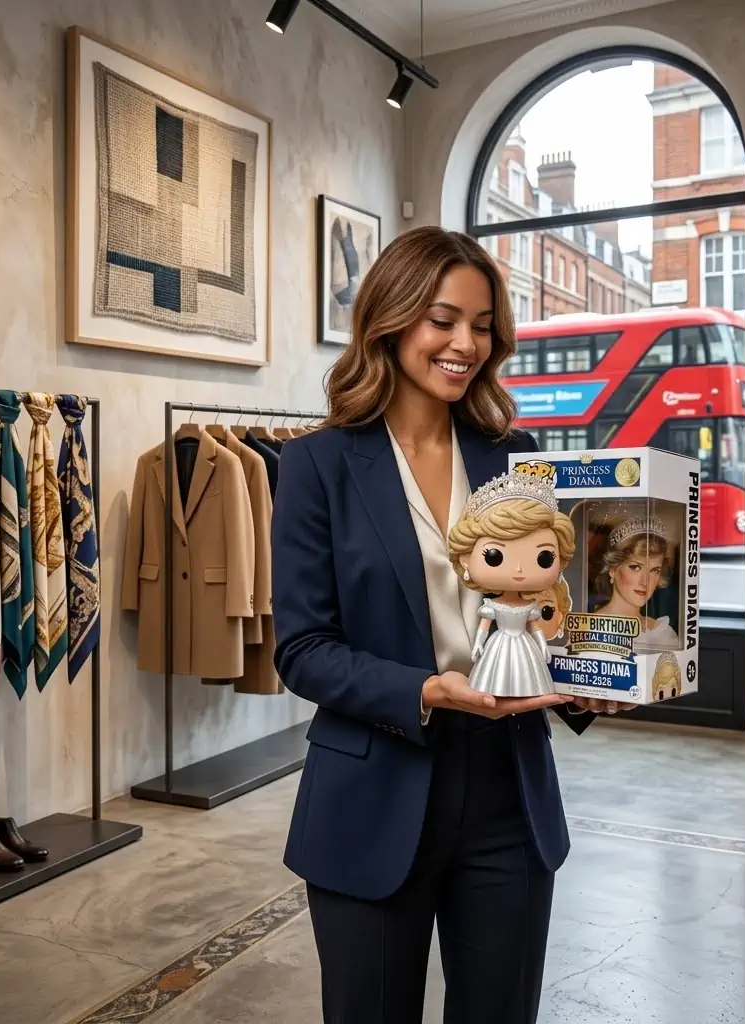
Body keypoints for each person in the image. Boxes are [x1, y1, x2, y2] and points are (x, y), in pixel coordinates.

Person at [270, 225, 632, 1024]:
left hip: (509, 792)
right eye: (443, 319)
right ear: (391, 318)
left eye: (482, 325)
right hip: (371, 793)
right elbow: (301, 650)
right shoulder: (317, 466)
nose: (466, 343)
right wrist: (426, 690)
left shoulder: (519, 459)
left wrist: (587, 685)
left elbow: (545, 616)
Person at [593, 515, 680, 654]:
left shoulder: (663, 634)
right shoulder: (588, 631)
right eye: (635, 567)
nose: (645, 581)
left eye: (654, 570)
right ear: (613, 570)